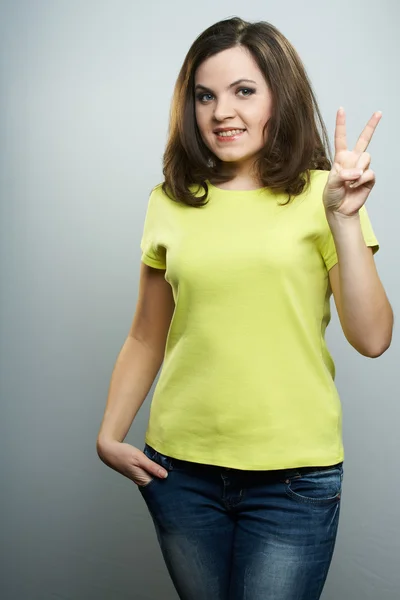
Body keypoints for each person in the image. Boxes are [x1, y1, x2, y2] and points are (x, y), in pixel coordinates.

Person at [96, 16, 393, 600]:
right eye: (205, 95)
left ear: (279, 97)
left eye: (244, 91)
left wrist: (343, 218)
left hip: (293, 479)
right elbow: (145, 336)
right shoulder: (170, 202)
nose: (221, 113)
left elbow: (373, 337)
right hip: (179, 472)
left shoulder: (325, 195)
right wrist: (109, 434)